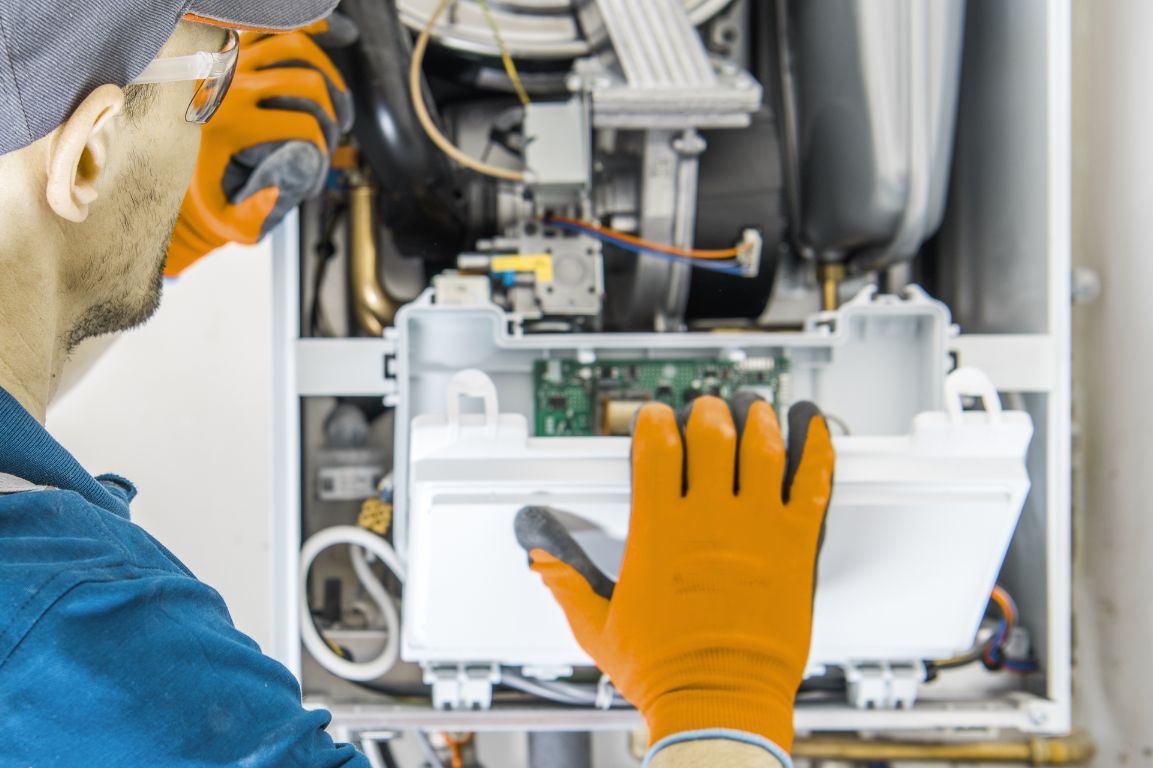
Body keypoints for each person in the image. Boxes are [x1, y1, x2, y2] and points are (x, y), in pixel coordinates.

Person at [0, 2, 835, 767]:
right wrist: (720, 693)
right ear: (88, 155)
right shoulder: (83, 655)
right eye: (211, 82)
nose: (219, 103)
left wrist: (128, 237)